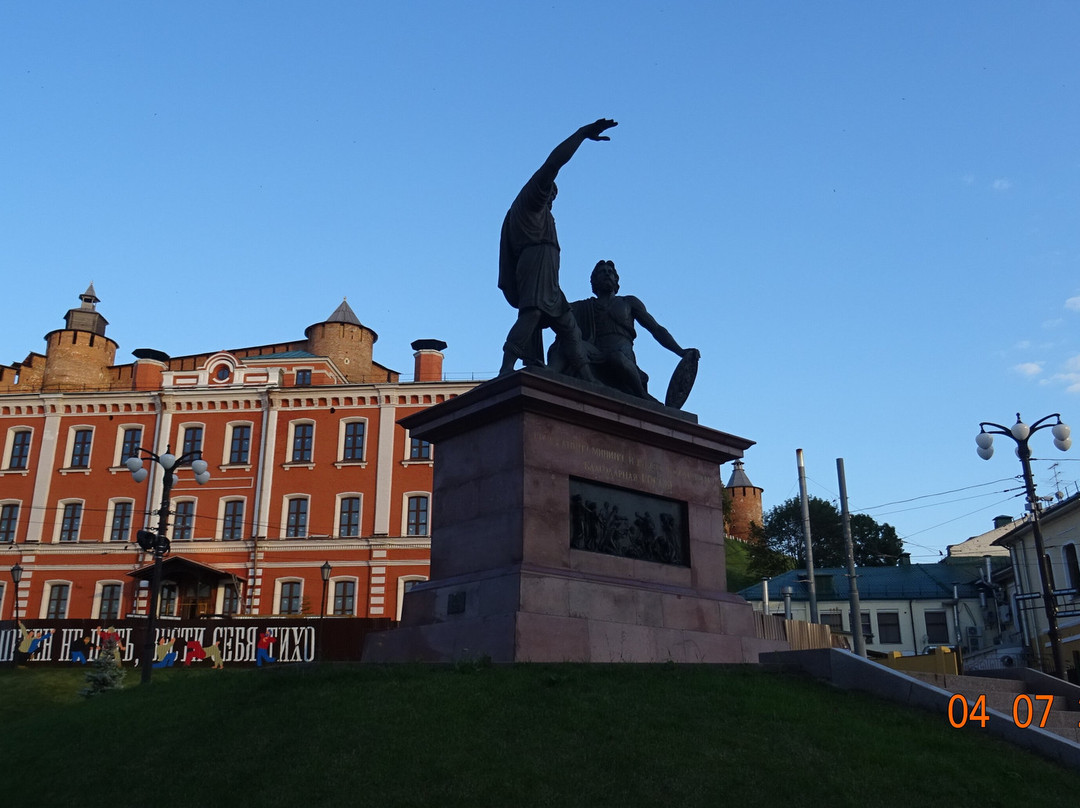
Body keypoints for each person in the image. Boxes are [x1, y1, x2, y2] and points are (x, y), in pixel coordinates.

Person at [498, 118, 618, 376]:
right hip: (537, 264)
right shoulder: (532, 199)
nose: (552, 196)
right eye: (550, 191)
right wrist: (582, 133)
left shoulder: (541, 212)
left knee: (568, 325)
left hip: (546, 270)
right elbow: (555, 162)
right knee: (532, 314)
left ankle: (588, 380)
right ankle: (506, 367)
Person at [550, 260, 698, 401]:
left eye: (610, 272)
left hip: (622, 357)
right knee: (566, 341)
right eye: (602, 272)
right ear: (594, 281)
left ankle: (641, 394)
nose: (607, 274)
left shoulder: (628, 302)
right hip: (595, 354)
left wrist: (680, 351)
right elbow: (558, 312)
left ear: (616, 280)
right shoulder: (583, 307)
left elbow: (656, 329)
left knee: (616, 357)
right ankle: (549, 375)